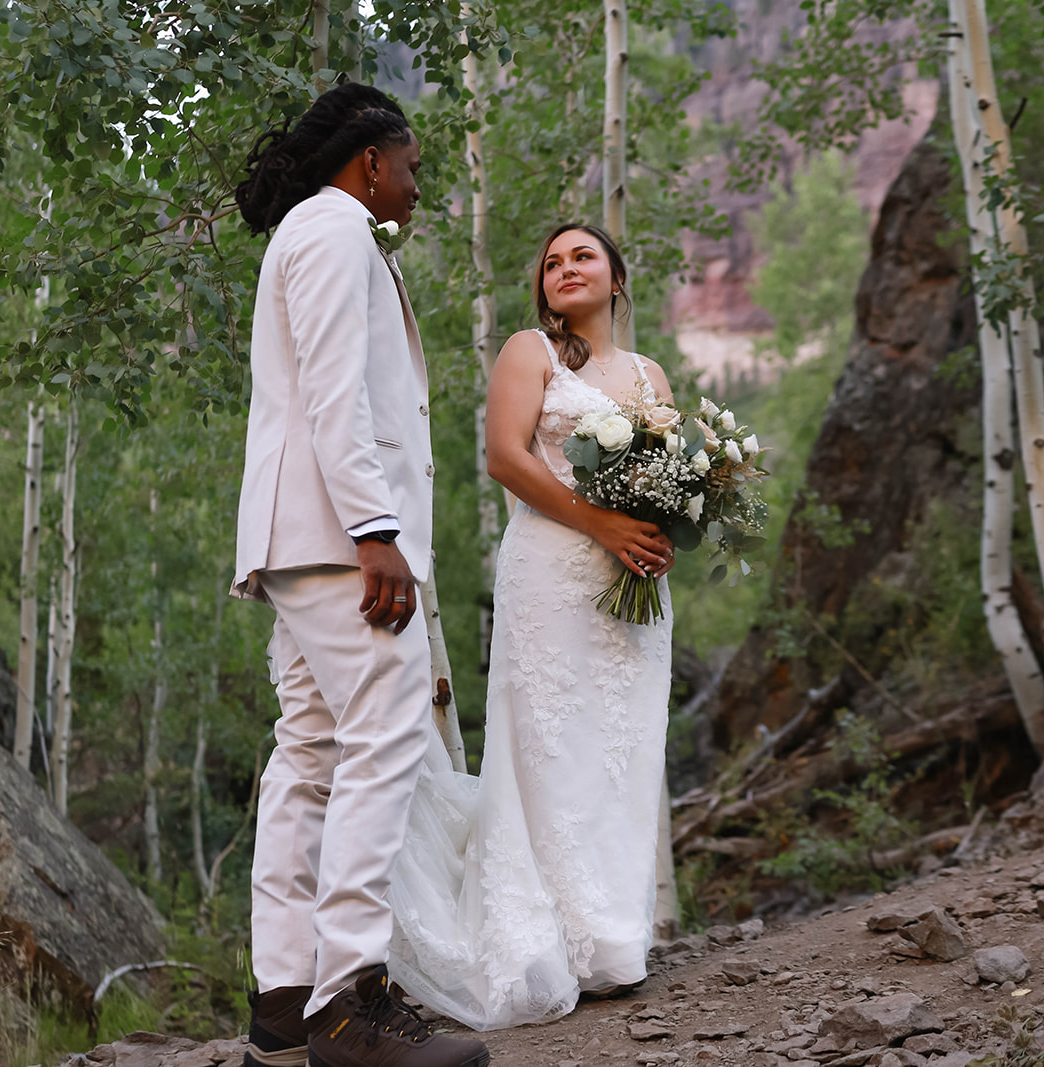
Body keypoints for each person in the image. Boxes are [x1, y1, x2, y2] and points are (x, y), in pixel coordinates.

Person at [230, 83, 490, 1067]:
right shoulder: (336, 231)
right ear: (370, 160)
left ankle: (284, 999)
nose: (418, 187)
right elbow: (336, 396)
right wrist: (375, 531)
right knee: (382, 737)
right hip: (339, 536)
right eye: (413, 167)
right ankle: (350, 1002)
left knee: (311, 753)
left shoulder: (309, 230)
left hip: (296, 535)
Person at [387, 223, 677, 1030]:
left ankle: (610, 940)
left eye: (582, 256)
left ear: (618, 279)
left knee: (620, 746)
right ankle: (537, 939)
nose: (565, 269)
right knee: (550, 745)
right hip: (551, 568)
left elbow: (672, 479)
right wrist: (604, 525)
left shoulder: (650, 373)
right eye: (551, 262)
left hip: (630, 583)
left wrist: (661, 534)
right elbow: (507, 458)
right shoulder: (531, 354)